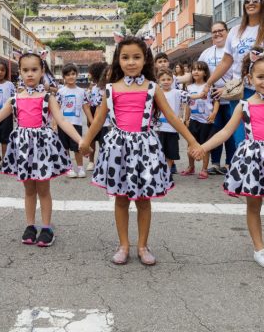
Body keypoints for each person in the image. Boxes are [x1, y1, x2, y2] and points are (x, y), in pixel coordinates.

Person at [79, 37, 200, 266]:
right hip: (118, 149)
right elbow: (99, 120)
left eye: (136, 57)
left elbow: (172, 117)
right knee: (121, 199)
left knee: (144, 200)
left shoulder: (153, 88)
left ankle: (142, 245)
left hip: (146, 148)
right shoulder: (110, 89)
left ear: (145, 60)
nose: (131, 62)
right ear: (118, 60)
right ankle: (124, 245)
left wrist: (192, 141)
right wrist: (86, 142)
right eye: (125, 57)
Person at [191, 50, 264, 270]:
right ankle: (259, 248)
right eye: (261, 77)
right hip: (252, 162)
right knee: (254, 207)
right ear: (250, 78)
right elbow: (225, 132)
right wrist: (202, 147)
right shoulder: (243, 106)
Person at [0, 53, 85, 247]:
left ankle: (46, 227)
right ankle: (30, 226)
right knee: (29, 189)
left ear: (42, 71)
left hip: (42, 148)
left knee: (43, 189)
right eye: (26, 70)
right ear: (19, 72)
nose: (30, 74)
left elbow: (62, 121)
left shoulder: (48, 98)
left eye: (34, 70)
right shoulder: (14, 99)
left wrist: (80, 140)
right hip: (23, 149)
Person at [205, 0, 264, 145]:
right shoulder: (235, 31)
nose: (250, 3)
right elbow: (226, 61)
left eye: (255, 0)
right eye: (247, 1)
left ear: (263, 3)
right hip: (241, 91)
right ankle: (244, 159)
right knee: (240, 136)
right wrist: (208, 83)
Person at [198, 21, 235, 175]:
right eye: (214, 31)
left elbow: (241, 74)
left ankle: (230, 163)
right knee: (214, 131)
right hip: (213, 101)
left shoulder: (234, 50)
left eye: (221, 30)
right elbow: (198, 73)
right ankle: (215, 163)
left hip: (232, 99)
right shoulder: (206, 53)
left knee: (231, 133)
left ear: (227, 32)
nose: (217, 34)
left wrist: (225, 89)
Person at [180, 61, 219, 179]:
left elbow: (216, 101)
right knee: (191, 145)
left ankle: (204, 169)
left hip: (206, 121)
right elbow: (188, 104)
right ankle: (191, 167)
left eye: (199, 69)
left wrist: (214, 113)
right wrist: (186, 119)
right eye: (194, 69)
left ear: (205, 73)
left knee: (205, 146)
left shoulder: (209, 86)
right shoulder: (188, 87)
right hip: (193, 120)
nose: (196, 72)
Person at [56, 63, 93, 178]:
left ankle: (80, 168)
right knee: (65, 148)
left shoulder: (82, 92)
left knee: (78, 148)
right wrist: (54, 124)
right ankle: (69, 168)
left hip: (76, 124)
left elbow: (86, 108)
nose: (71, 76)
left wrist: (92, 121)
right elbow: (56, 109)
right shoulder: (61, 91)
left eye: (73, 74)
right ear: (64, 77)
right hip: (63, 125)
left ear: (77, 75)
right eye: (68, 75)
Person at [155, 68, 189, 175]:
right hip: (158, 128)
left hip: (172, 128)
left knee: (170, 153)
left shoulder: (177, 92)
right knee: (158, 153)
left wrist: (202, 94)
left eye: (168, 79)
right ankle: (159, 174)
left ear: (173, 80)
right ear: (158, 81)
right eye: (163, 79)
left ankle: (167, 174)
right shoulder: (155, 93)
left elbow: (191, 97)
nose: (166, 82)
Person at [86, 62, 109, 172]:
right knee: (92, 139)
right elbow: (92, 105)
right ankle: (91, 161)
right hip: (95, 113)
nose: (89, 75)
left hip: (107, 119)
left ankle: (102, 161)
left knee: (103, 141)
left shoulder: (111, 88)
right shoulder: (95, 88)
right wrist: (91, 120)